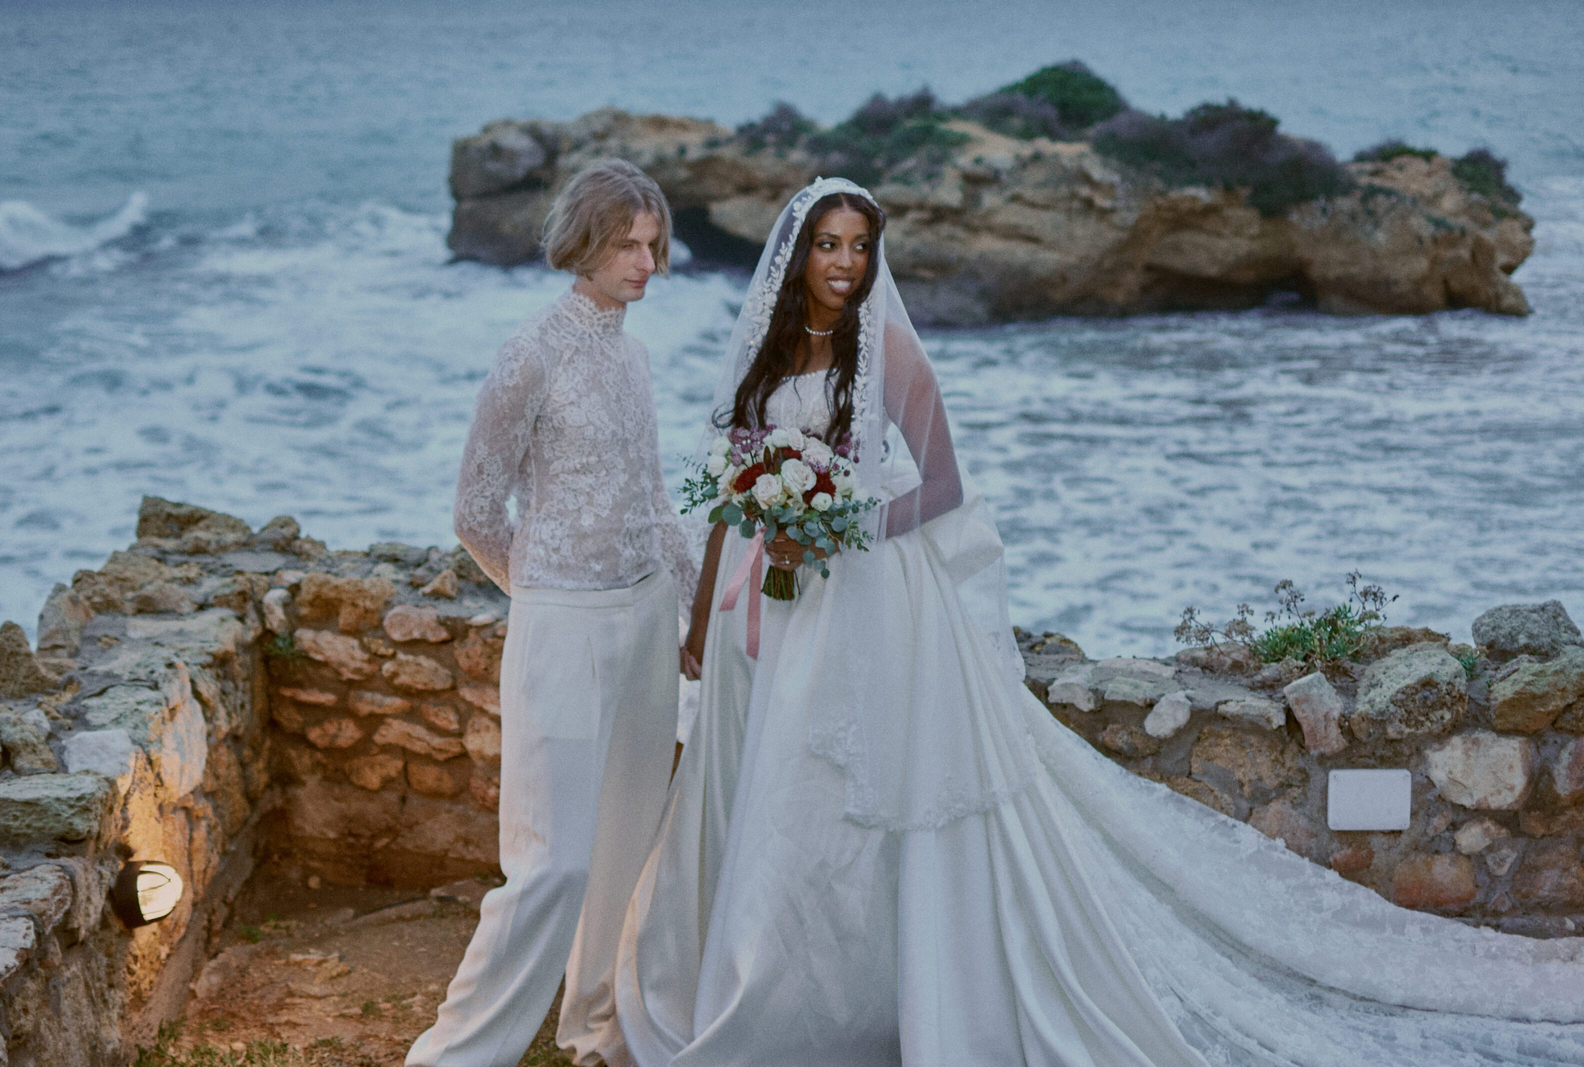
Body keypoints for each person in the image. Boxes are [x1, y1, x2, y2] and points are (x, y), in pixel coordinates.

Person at [613, 177, 1584, 1067]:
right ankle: (772, 985)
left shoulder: (889, 351)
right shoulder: (765, 354)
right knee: (776, 793)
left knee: (844, 797)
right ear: (796, 254)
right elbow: (726, 502)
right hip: (771, 620)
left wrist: (835, 523)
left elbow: (943, 487)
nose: (843, 264)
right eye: (827, 244)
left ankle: (860, 1002)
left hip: (864, 609)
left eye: (859, 247)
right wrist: (704, 617)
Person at [408, 158, 697, 1067]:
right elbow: (474, 513)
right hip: (564, 625)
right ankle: (456, 1055)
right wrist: (542, 598)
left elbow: (654, 501)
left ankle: (597, 1029)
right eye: (626, 244)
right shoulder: (530, 350)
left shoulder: (633, 352)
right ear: (583, 243)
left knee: (624, 848)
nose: (646, 263)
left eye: (654, 244)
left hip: (650, 618)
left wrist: (692, 616)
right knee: (550, 863)